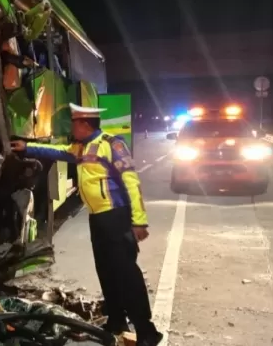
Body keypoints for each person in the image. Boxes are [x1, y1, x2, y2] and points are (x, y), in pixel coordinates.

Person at [10, 103, 163, 346]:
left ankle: (146, 331)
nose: (72, 128)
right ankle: (116, 321)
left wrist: (139, 221)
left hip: (116, 216)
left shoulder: (112, 144)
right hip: (98, 218)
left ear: (84, 125)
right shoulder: (81, 147)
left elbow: (131, 182)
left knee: (126, 274)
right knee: (106, 270)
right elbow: (58, 152)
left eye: (74, 124)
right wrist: (27, 147)